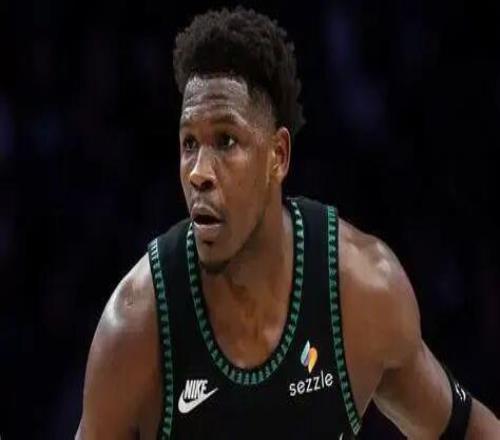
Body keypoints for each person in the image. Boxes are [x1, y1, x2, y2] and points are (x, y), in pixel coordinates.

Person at [76, 7, 500, 439]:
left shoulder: (361, 290)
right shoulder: (137, 323)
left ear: (278, 156)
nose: (199, 171)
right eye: (189, 144)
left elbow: (465, 428)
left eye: (226, 140)